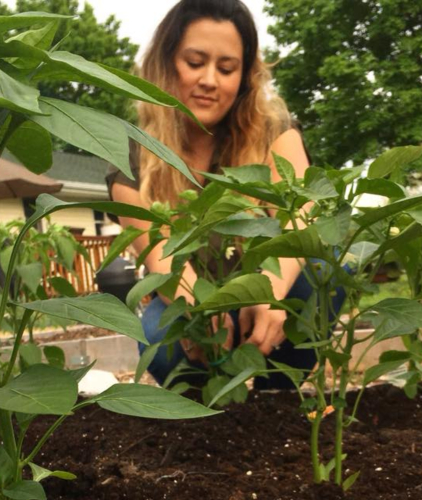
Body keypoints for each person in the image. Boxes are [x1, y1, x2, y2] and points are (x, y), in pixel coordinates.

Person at [106, 0, 345, 389]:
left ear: (245, 76)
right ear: (166, 65)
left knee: (325, 269)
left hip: (266, 297)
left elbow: (304, 213)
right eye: (195, 62)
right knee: (160, 339)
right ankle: (205, 413)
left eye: (227, 68)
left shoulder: (274, 131)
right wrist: (197, 310)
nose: (210, 81)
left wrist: (268, 288)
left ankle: (277, 396)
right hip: (194, 298)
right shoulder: (132, 155)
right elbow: (161, 259)